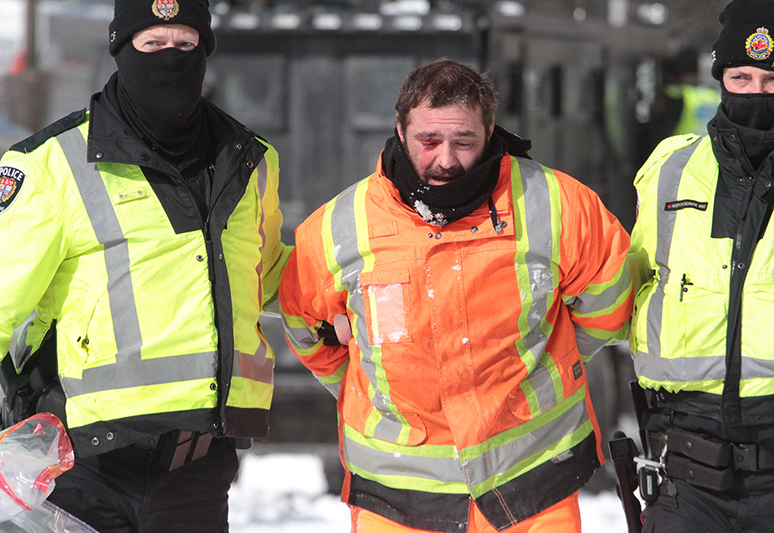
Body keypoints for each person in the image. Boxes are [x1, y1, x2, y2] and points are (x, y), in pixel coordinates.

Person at [280, 59, 633, 533]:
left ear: (490, 131)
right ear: (400, 131)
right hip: (396, 495)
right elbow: (305, 325)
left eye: (464, 142)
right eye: (429, 141)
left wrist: (549, 360)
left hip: (532, 483)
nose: (446, 159)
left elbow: (610, 301)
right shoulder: (338, 227)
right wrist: (370, 381)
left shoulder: (557, 203)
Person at [0, 0, 289, 530]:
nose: (170, 61)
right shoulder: (49, 164)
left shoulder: (250, 160)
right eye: (152, 44)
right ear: (119, 48)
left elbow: (267, 275)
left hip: (198, 470)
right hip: (80, 467)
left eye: (185, 45)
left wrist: (349, 277)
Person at [628, 0, 774, 531]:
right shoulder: (670, 168)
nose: (755, 93)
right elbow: (625, 287)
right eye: (740, 76)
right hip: (686, 478)